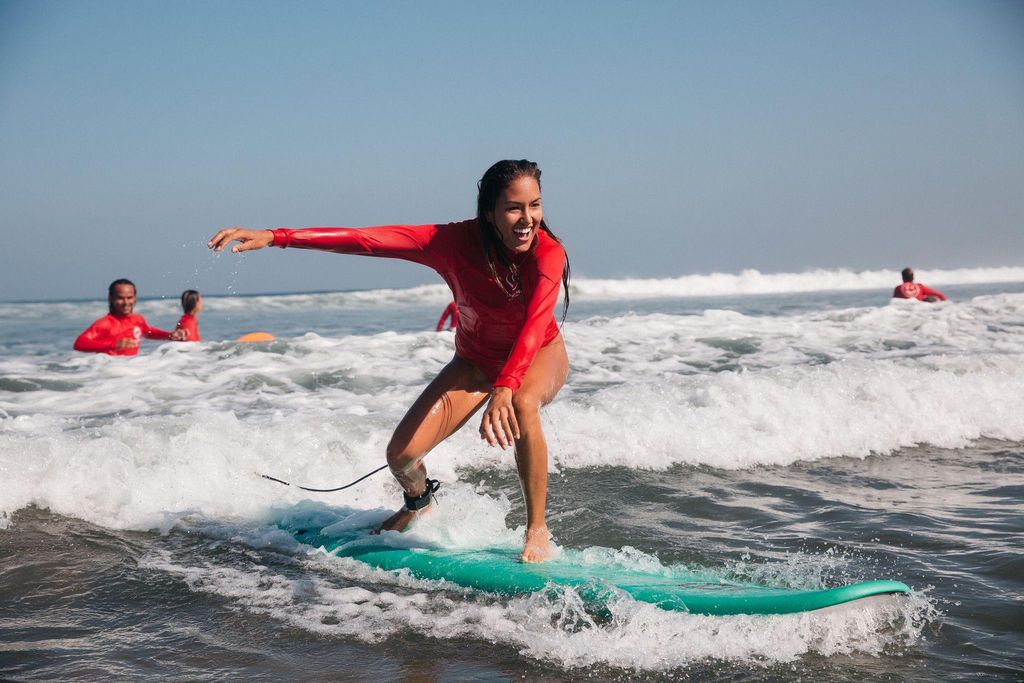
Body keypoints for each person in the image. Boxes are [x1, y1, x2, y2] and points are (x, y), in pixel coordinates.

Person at [208, 160, 570, 562]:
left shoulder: (548, 253)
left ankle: (537, 529)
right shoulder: (450, 242)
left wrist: (505, 385)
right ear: (489, 212)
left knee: (522, 402)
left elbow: (535, 322)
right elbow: (366, 240)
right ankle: (419, 503)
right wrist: (278, 237)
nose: (528, 219)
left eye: (535, 205)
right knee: (401, 457)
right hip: (475, 362)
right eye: (514, 208)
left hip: (538, 354)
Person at [74, 279, 186, 355]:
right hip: (110, 372)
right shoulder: (105, 323)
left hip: (130, 372)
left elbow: (148, 332)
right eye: (120, 298)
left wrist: (169, 335)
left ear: (135, 297)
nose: (126, 302)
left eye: (129, 297)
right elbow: (79, 343)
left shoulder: (137, 319)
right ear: (111, 298)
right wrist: (113, 345)